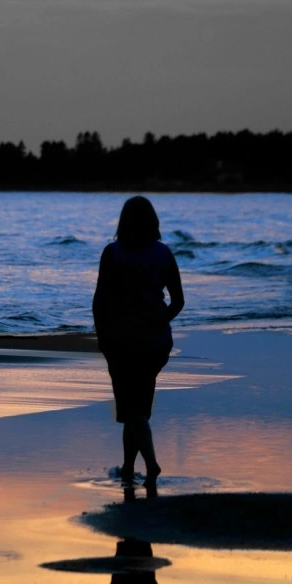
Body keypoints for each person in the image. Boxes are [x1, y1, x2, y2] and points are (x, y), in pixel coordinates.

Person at [93, 196, 184, 486]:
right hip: (155, 343)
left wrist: (102, 336)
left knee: (132, 409)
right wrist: (158, 322)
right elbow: (178, 301)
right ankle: (129, 468)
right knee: (136, 409)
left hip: (120, 342)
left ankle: (152, 465)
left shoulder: (113, 253)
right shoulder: (163, 254)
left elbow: (100, 301)